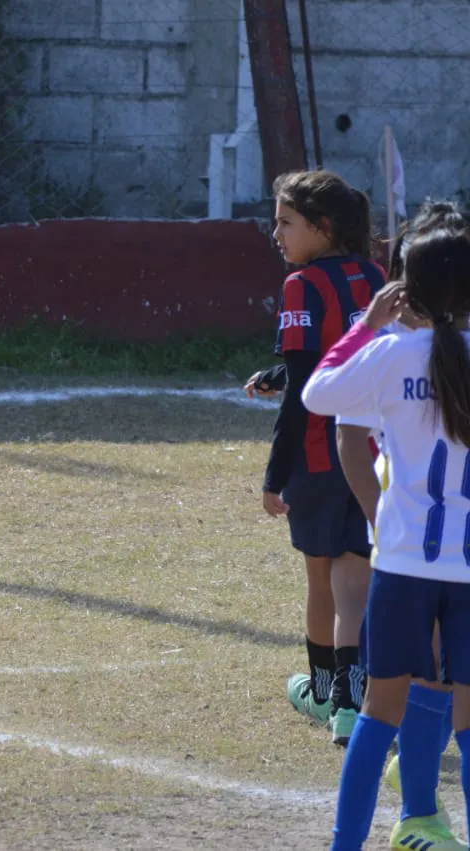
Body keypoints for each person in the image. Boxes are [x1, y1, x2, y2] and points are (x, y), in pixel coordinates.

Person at [303, 226, 470, 851]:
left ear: (408, 289)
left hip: (403, 565)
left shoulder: (394, 353)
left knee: (378, 719)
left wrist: (367, 325)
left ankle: (346, 845)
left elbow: (319, 393)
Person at [255, 170, 386, 746]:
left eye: (285, 222)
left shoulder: (300, 285)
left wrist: (273, 476)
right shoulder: (376, 276)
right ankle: (354, 701)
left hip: (315, 453)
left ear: (321, 227)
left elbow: (310, 388)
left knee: (319, 580)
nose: (275, 233)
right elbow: (353, 357)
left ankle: (324, 690)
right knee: (354, 580)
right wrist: (282, 371)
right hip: (373, 452)